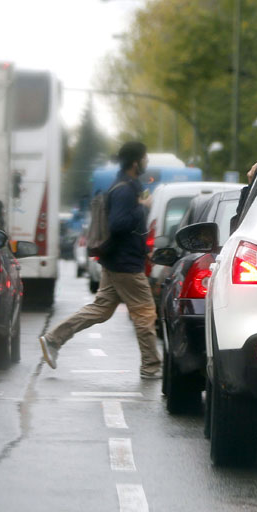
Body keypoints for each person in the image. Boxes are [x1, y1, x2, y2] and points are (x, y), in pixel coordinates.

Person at [39, 141, 162, 379]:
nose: (146, 162)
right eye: (144, 158)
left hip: (117, 262)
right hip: (125, 265)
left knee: (101, 310)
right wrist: (143, 208)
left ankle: (53, 339)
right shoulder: (126, 190)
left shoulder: (126, 187)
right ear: (135, 162)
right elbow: (118, 224)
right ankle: (151, 366)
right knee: (145, 314)